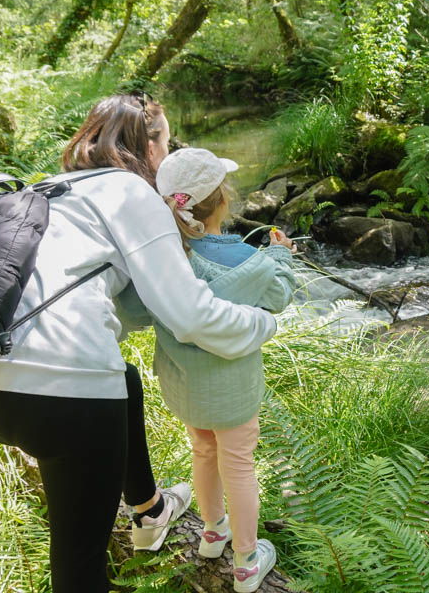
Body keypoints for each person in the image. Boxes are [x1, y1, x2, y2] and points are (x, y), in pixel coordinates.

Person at [0, 93, 278, 593]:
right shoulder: (131, 195)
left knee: (123, 379)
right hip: (65, 392)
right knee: (79, 560)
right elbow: (190, 317)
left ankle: (149, 512)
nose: (167, 158)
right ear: (147, 148)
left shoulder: (53, 189)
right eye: (167, 145)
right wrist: (262, 324)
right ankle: (156, 523)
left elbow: (126, 310)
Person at [155, 148, 299, 593]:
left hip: (183, 385)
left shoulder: (164, 256)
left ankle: (213, 532)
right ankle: (246, 561)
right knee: (239, 465)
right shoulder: (243, 257)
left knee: (202, 451)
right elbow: (278, 296)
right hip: (232, 390)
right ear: (222, 200)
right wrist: (282, 256)